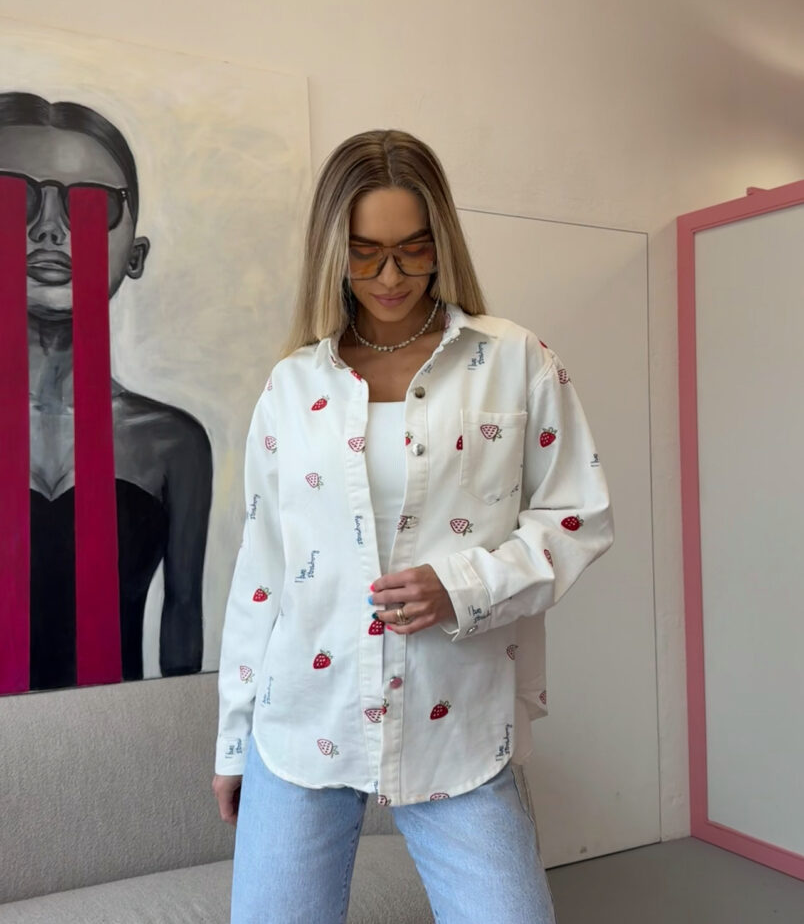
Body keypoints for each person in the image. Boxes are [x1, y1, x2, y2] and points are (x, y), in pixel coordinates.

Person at [213, 129, 614, 923]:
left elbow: (577, 517)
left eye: (412, 249)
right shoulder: (292, 385)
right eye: (365, 253)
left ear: (442, 241)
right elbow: (261, 573)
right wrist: (233, 739)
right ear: (333, 252)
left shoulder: (515, 360)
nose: (391, 277)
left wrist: (462, 585)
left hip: (457, 720)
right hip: (303, 718)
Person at [0, 91, 211, 690]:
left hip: (117, 734)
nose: (48, 229)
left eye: (90, 204)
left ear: (135, 255)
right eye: (12, 197)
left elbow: (183, 626)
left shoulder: (173, 444)